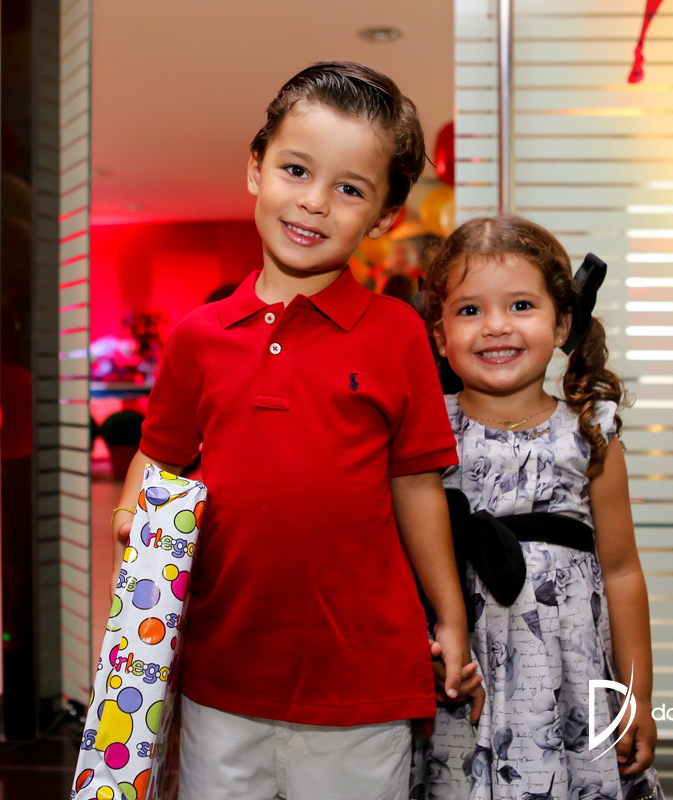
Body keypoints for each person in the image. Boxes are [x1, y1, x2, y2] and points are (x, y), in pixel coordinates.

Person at [109, 62, 474, 800]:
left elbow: (416, 485)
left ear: (385, 216)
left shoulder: (398, 333)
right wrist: (130, 515)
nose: (314, 201)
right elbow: (159, 454)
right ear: (256, 168)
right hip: (222, 675)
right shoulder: (198, 337)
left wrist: (450, 615)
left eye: (350, 188)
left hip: (363, 684)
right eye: (296, 170)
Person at [413, 215, 663, 800]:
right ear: (441, 335)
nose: (496, 326)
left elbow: (622, 571)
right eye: (469, 310)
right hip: (457, 677)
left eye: (521, 305)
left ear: (562, 323)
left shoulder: (590, 433)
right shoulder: (425, 432)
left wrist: (638, 697)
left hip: (568, 680)